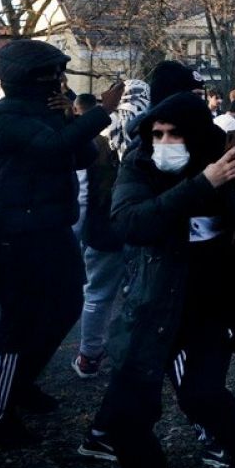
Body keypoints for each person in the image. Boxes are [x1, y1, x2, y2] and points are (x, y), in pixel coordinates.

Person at [93, 91, 235, 468]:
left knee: (201, 396)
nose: (164, 143)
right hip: (152, 300)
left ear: (196, 135)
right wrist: (203, 184)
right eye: (157, 134)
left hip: (213, 303)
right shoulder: (140, 164)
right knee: (125, 419)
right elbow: (130, 223)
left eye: (174, 134)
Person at [0, 41, 120, 449]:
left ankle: (22, 383)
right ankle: (0, 415)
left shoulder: (44, 112)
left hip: (52, 228)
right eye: (53, 74)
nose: (60, 81)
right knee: (21, 320)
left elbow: (81, 157)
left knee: (66, 306)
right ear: (31, 78)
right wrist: (101, 112)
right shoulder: (3, 116)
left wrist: (69, 117)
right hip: (14, 235)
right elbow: (51, 148)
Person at [73, 80, 150, 380]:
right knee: (142, 293)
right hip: (142, 228)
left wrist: (76, 236)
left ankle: (89, 356)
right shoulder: (151, 136)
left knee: (97, 294)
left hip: (103, 228)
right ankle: (134, 352)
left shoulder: (95, 138)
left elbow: (82, 193)